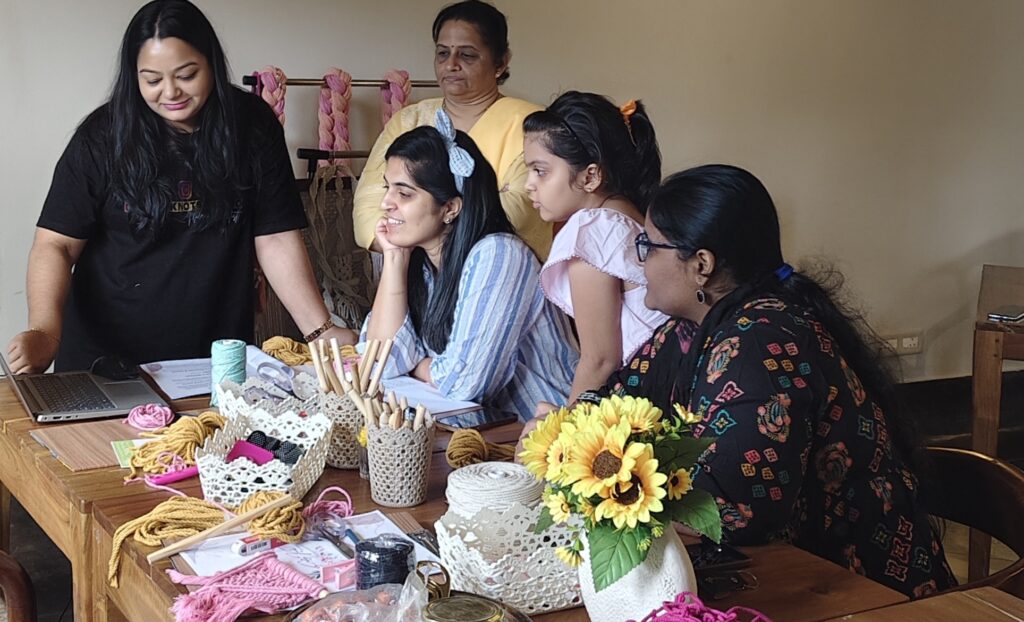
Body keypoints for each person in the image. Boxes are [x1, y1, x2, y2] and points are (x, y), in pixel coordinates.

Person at [557, 165, 955, 598]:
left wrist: (602, 481)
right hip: (792, 574)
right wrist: (564, 434)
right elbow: (616, 406)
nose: (640, 261)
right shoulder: (689, 330)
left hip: (859, 590)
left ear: (701, 265)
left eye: (648, 247)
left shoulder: (759, 344)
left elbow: (732, 511)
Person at [5, 0, 351, 374]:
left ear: (211, 64)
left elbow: (276, 237)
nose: (170, 92)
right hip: (103, 361)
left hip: (213, 357)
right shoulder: (102, 138)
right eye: (152, 80)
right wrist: (45, 331)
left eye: (186, 74)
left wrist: (321, 331)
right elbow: (55, 243)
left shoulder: (252, 127)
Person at [362, 111, 577, 421]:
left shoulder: (499, 255)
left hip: (550, 439)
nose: (386, 204)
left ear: (450, 207)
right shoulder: (421, 263)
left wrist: (417, 363)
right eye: (387, 188)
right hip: (483, 436)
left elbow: (463, 385)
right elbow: (377, 361)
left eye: (404, 193)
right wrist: (395, 258)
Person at [352, 0, 551, 259]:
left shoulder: (533, 124)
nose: (451, 65)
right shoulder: (409, 120)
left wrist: (419, 231)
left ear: (501, 63)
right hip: (409, 273)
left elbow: (518, 212)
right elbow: (368, 209)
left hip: (499, 270)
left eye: (467, 55)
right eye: (443, 53)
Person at [523, 91, 669, 403]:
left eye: (540, 170)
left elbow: (601, 361)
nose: (528, 184)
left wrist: (562, 437)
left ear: (590, 176)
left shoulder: (593, 229)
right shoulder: (627, 214)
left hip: (649, 404)